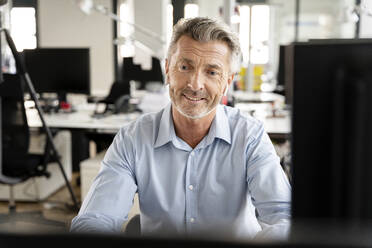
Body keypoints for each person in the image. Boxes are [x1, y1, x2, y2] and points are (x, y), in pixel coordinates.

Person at [70, 17, 291, 240]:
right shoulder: (133, 138)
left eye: (212, 72)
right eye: (185, 67)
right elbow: (95, 219)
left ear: (228, 81)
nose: (195, 85)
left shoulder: (249, 136)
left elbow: (283, 217)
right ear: (167, 69)